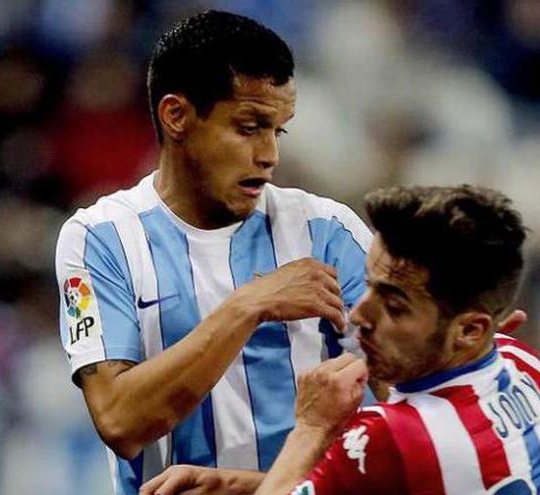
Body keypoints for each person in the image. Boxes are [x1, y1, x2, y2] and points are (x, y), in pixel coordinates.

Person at [55, 10, 372, 495]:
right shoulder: (101, 238)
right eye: (248, 127)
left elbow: (401, 415)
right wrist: (250, 304)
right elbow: (120, 421)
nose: (270, 155)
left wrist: (244, 487)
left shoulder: (328, 232)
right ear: (176, 116)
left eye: (278, 130)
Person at [141, 185, 540, 495]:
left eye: (396, 306)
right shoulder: (527, 366)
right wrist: (232, 484)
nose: (360, 314)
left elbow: (391, 464)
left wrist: (311, 427)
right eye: (368, 285)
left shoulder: (394, 435)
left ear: (471, 329)